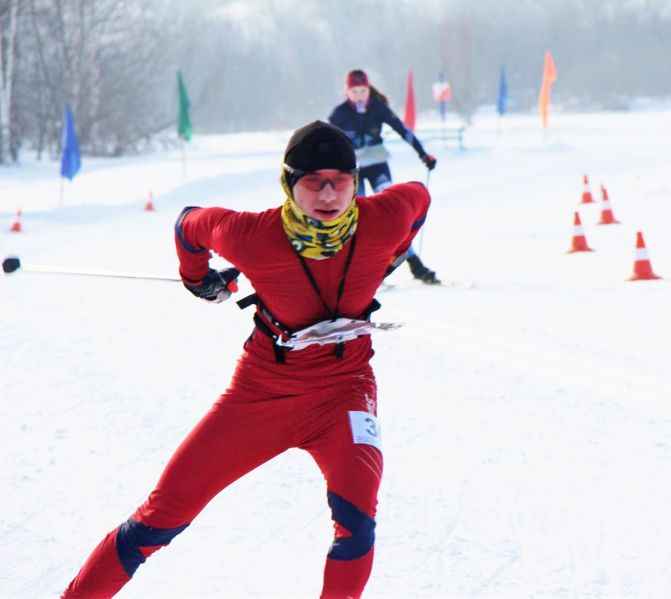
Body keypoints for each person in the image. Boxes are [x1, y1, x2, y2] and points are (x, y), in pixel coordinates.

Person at [61, 121, 430, 599]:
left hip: (346, 391)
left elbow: (419, 196)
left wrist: (393, 255)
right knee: (159, 520)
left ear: (354, 182)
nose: (328, 194)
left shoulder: (383, 218)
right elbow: (189, 223)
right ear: (288, 183)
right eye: (312, 181)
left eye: (340, 180)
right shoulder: (251, 235)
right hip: (260, 395)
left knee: (356, 523)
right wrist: (198, 278)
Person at [329, 68, 440, 285]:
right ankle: (361, 270)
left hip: (378, 166)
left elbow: (403, 130)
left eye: (363, 90)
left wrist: (423, 154)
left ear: (368, 90)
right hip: (352, 172)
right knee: (356, 219)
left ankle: (414, 264)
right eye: (355, 91)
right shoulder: (339, 114)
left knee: (395, 214)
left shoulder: (378, 108)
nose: (360, 95)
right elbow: (326, 142)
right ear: (347, 92)